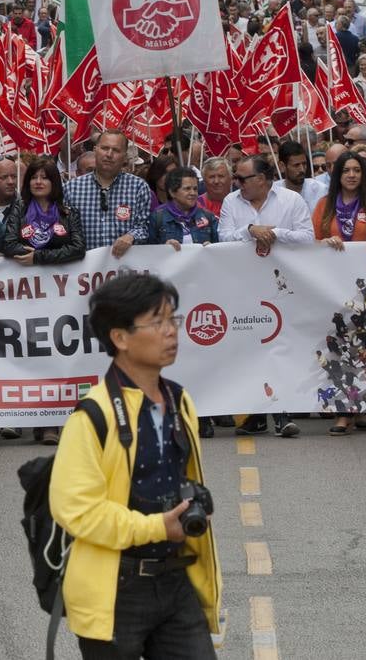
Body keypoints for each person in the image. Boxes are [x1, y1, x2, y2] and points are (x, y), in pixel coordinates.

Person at [49, 271, 222, 658]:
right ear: (120, 337)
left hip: (177, 578)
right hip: (115, 588)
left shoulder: (180, 401)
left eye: (172, 319)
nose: (171, 332)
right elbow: (76, 511)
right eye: (157, 322)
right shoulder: (92, 416)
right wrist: (155, 526)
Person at [219, 156, 312, 438]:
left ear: (261, 179)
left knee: (280, 348)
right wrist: (249, 231)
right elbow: (222, 237)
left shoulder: (291, 200)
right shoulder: (231, 202)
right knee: (251, 348)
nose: (237, 183)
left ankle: (282, 414)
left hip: (282, 286)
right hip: (244, 287)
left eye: (242, 178)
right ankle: (257, 415)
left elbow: (307, 237)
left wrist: (274, 232)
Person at [2, 157, 86, 444]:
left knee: (54, 355)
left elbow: (78, 247)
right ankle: (25, 417)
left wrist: (40, 257)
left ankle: (50, 423)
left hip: (61, 297)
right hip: (25, 296)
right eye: (34, 177)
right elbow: (8, 243)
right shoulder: (19, 209)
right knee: (27, 355)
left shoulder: (67, 211)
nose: (39, 181)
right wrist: (26, 254)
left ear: (54, 183)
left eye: (45, 177)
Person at [312, 151, 366, 434]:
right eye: (346, 170)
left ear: (365, 175)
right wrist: (325, 242)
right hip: (332, 288)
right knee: (338, 349)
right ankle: (343, 412)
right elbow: (310, 245)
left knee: (364, 349)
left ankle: (362, 407)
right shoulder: (324, 206)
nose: (351, 175)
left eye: (357, 171)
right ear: (338, 175)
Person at [64, 130, 153, 254]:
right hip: (84, 269)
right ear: (95, 150)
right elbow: (63, 230)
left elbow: (146, 226)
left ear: (124, 156)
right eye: (105, 148)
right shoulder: (71, 188)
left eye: (116, 150)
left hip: (124, 267)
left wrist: (132, 236)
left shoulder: (139, 187)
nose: (109, 154)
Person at [149, 166, 219, 250]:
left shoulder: (208, 216)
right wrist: (164, 248)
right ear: (172, 192)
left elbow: (219, 250)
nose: (193, 193)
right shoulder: (157, 218)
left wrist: (212, 248)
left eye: (195, 189)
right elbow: (148, 253)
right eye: (187, 189)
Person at [273, 140, 327, 211]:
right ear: (282, 166)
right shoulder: (273, 193)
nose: (302, 169)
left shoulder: (321, 190)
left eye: (304, 164)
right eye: (296, 165)